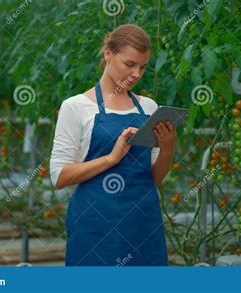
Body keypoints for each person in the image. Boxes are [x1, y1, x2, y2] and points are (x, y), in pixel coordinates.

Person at [49, 24, 176, 266]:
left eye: (143, 67)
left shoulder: (149, 108)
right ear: (108, 54)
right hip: (95, 227)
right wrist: (111, 159)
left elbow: (155, 179)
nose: (137, 73)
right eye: (130, 64)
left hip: (144, 224)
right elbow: (59, 176)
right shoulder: (75, 107)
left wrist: (168, 146)